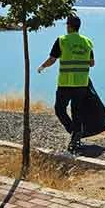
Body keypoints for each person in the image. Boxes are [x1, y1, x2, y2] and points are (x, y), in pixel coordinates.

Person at [37, 15, 94, 153]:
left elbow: (52, 59)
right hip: (81, 83)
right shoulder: (87, 42)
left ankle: (74, 132)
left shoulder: (62, 40)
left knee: (59, 109)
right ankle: (76, 136)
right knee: (77, 111)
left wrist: (42, 67)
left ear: (69, 26)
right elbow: (92, 63)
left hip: (66, 82)